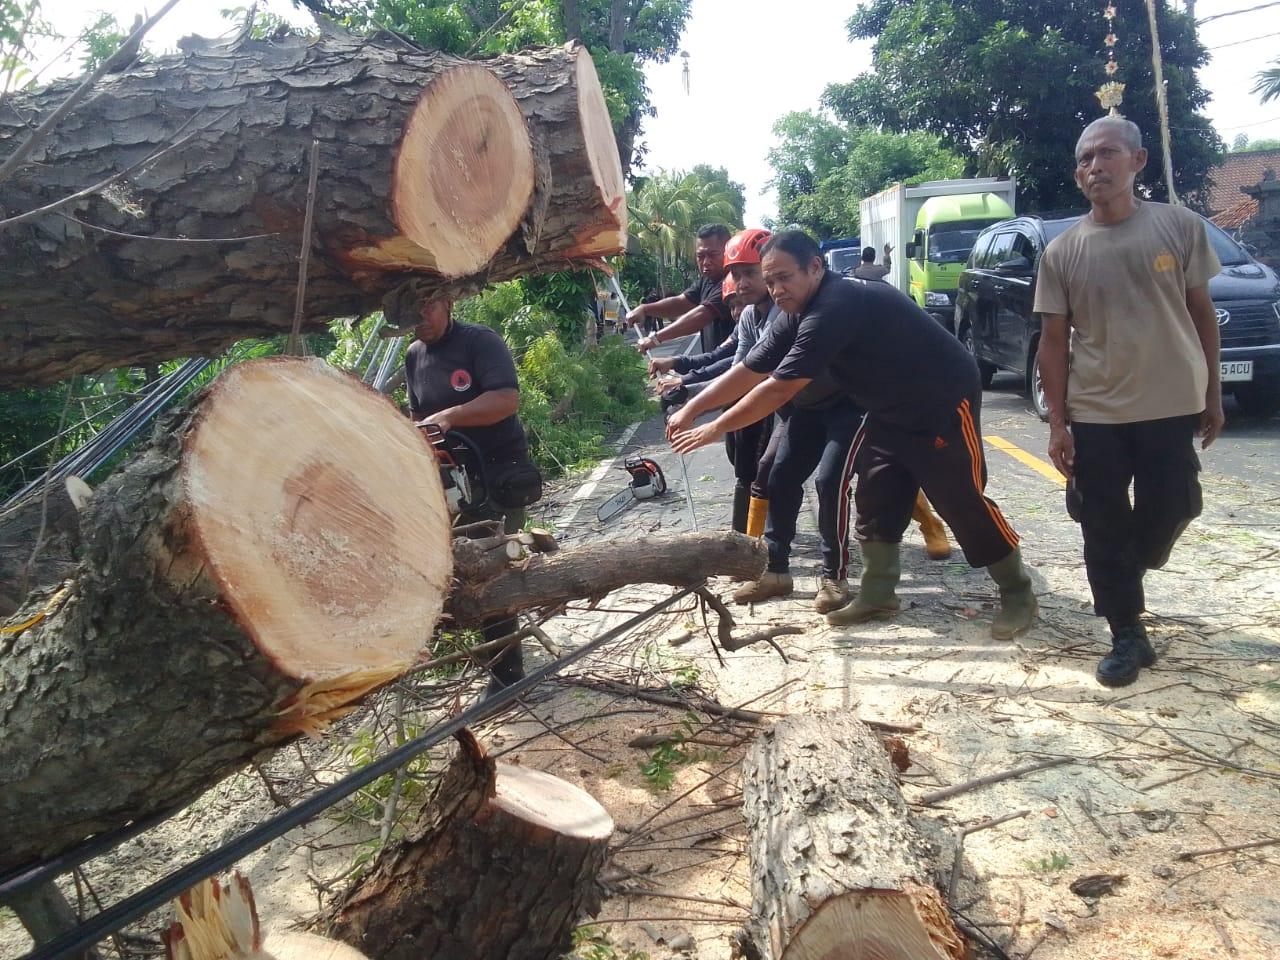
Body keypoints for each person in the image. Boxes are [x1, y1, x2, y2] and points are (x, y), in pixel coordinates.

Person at [668, 230, 1037, 640]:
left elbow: (778, 388)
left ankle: (1018, 592)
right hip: (886, 409)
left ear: (815, 268)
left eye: (784, 278)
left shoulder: (836, 305)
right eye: (770, 281)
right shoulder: (794, 312)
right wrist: (691, 408)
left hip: (941, 403)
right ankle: (879, 594)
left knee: (960, 499)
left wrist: (715, 427)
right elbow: (750, 368)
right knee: (877, 495)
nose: (776, 290)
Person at [1034, 115, 1223, 688]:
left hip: (1170, 404)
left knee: (1177, 505)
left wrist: (1213, 393)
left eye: (1108, 154)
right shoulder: (1063, 251)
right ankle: (1126, 634)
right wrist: (1058, 423)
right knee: (1103, 525)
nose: (1096, 167)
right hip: (1097, 413)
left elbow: (1201, 313)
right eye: (1087, 159)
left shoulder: (1179, 227)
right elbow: (1052, 342)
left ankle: (1126, 566)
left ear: (1137, 161)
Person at [390, 286, 543, 698]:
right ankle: (491, 654)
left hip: (496, 473)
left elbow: (506, 399)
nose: (421, 318)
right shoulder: (413, 356)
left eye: (428, 306)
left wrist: (452, 416)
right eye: (413, 312)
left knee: (493, 569)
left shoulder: (479, 342)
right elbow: (418, 414)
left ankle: (508, 675)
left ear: (448, 304)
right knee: (464, 570)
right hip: (451, 477)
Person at [628, 224, 734, 355]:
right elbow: (681, 302)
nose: (706, 262)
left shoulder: (733, 281)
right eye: (700, 256)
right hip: (714, 365)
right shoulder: (706, 280)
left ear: (728, 251)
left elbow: (701, 316)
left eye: (712, 255)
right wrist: (644, 309)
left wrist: (656, 338)